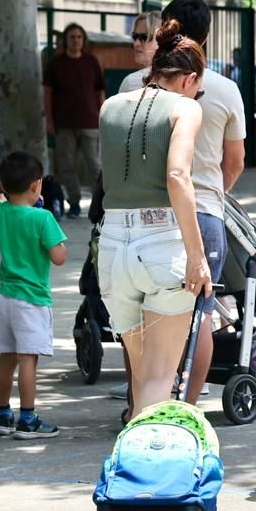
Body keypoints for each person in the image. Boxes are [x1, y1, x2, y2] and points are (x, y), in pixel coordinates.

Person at [96, 22, 213, 418]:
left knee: (141, 376)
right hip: (161, 242)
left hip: (112, 245)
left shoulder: (111, 106)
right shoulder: (186, 107)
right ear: (190, 78)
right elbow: (178, 176)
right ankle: (145, 473)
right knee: (161, 378)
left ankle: (130, 466)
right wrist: (197, 256)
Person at [160, 0, 247, 403]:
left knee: (151, 315)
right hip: (205, 210)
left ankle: (143, 401)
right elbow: (236, 161)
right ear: (209, 34)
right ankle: (189, 405)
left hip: (151, 213)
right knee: (202, 315)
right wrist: (214, 191)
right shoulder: (226, 90)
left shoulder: (137, 85)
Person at [0, 150, 70, 439]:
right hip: (32, 299)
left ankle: (2, 413)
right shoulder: (43, 218)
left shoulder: (0, 211)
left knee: (6, 359)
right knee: (27, 361)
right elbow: (59, 256)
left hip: (5, 296)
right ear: (36, 185)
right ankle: (27, 418)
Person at [43, 22, 104, 218]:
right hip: (64, 124)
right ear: (65, 40)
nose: (75, 41)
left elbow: (99, 91)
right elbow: (48, 94)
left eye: (79, 37)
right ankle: (75, 203)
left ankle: (100, 204)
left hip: (90, 122)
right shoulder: (55, 64)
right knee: (67, 167)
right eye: (72, 37)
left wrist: (102, 114)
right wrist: (50, 120)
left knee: (94, 166)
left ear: (83, 40)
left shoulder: (91, 61)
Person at [117, 11, 163, 95]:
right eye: (134, 36)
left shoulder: (131, 82)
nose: (136, 44)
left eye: (144, 37)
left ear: (162, 39)